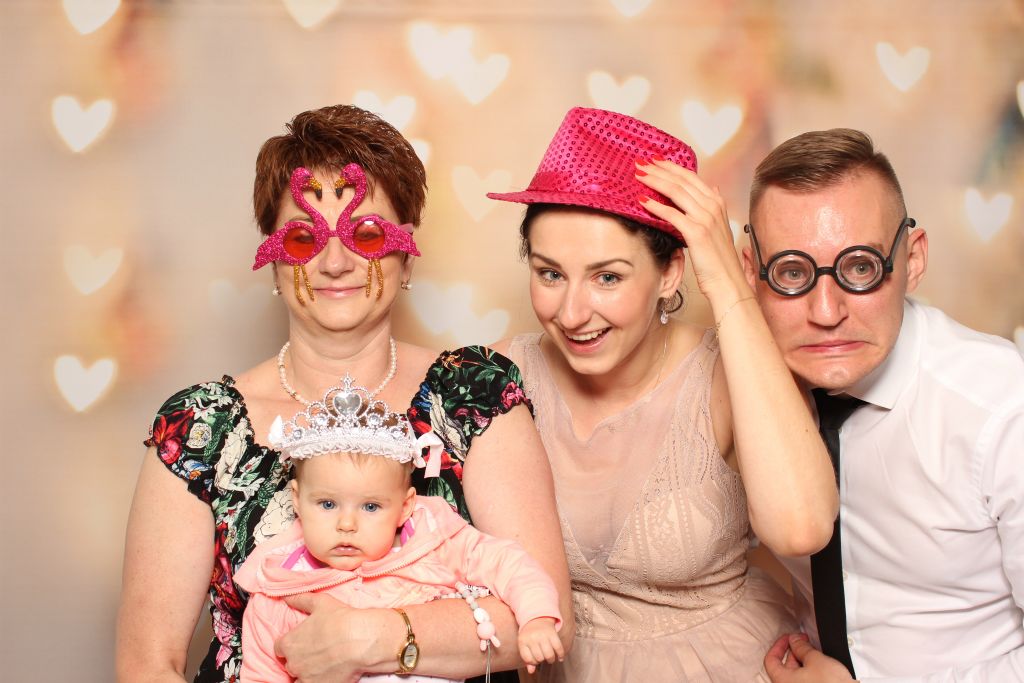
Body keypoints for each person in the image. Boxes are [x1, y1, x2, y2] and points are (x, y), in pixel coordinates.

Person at [116, 104, 572, 683]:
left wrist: (372, 639)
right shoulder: (200, 428)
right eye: (304, 237)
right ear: (272, 259)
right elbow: (146, 664)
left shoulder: (473, 395)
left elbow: (546, 618)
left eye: (367, 234)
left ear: (406, 255)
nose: (335, 262)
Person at [487, 107, 840, 681]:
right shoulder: (498, 377)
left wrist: (726, 280)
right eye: (550, 274)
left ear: (671, 273)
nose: (571, 314)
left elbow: (802, 527)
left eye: (607, 277)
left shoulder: (728, 372)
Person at [743, 128, 1024, 681]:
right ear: (752, 272)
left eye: (860, 267)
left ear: (912, 259)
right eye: (792, 272)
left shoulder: (1001, 407)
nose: (826, 313)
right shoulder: (747, 394)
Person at [235, 376, 564, 682]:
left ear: (405, 507)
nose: (346, 524)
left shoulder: (435, 542)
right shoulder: (278, 593)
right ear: (297, 500)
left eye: (370, 507)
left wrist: (537, 617)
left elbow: (509, 563)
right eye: (328, 504)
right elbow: (261, 675)